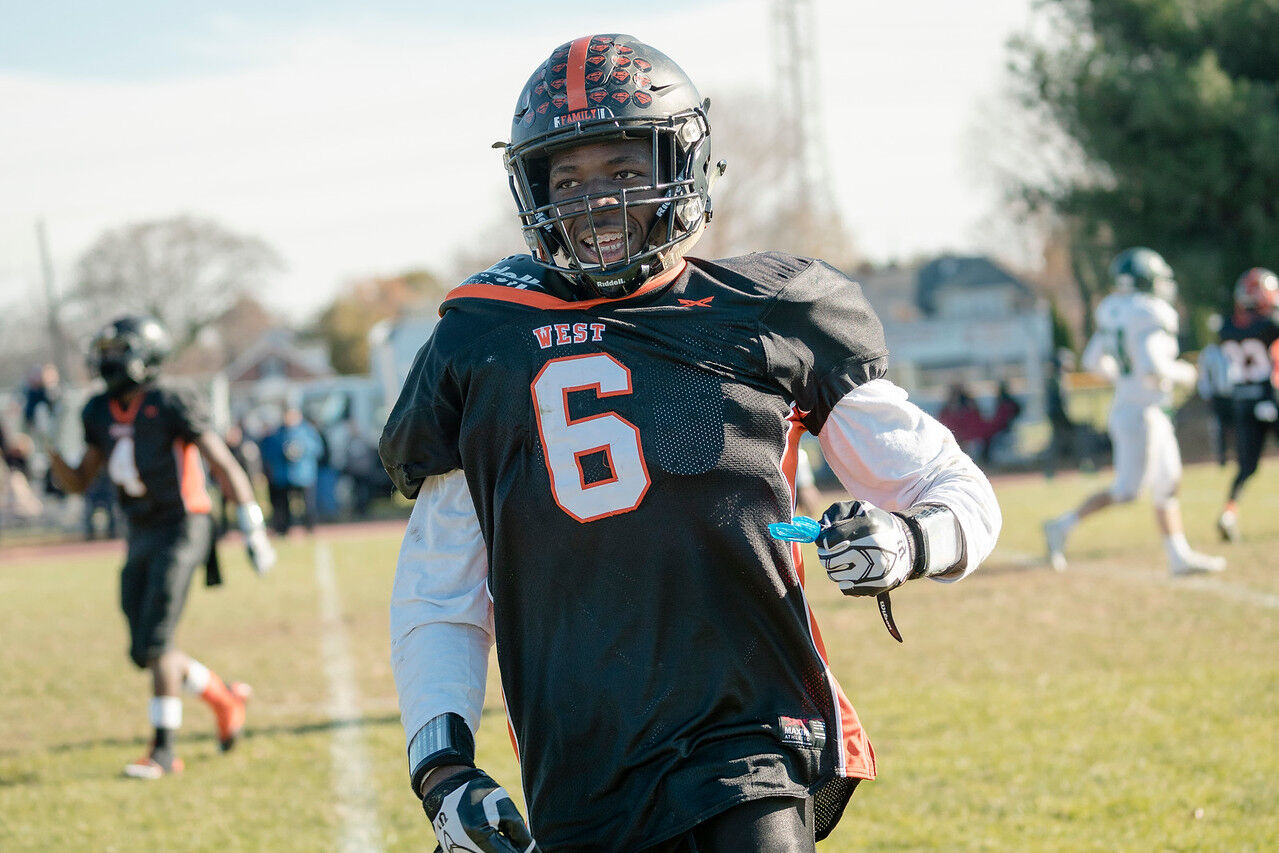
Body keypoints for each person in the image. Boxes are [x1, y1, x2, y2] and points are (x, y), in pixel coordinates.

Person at [380, 34, 1001, 852]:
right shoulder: (480, 340)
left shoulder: (768, 310)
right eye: (567, 179)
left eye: (623, 173)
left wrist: (906, 538)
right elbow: (439, 588)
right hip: (579, 759)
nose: (593, 202)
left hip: (749, 731)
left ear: (684, 165)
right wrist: (443, 768)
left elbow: (954, 486)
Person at [46, 315, 276, 778]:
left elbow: (221, 461)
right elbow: (79, 479)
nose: (108, 361)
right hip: (140, 527)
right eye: (104, 352)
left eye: (118, 350)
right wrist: (49, 448)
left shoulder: (171, 400)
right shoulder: (97, 409)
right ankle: (224, 699)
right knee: (144, 650)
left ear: (144, 354)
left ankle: (164, 751)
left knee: (158, 640)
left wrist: (253, 525)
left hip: (185, 523)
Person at [1043, 248, 1225, 576]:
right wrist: (1185, 372)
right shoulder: (1150, 311)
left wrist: (1124, 379)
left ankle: (1178, 556)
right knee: (1128, 491)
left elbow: (1093, 360)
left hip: (1138, 408)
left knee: (1169, 482)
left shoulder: (1114, 309)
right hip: (1141, 413)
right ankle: (1061, 526)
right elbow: (1152, 364)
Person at [1214, 267, 1279, 541]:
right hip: (1270, 397)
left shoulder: (1226, 327)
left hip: (1242, 400)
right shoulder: (1270, 324)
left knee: (1246, 467)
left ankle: (1228, 513)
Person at [258, 406, 324, 535]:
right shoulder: (277, 433)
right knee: (282, 505)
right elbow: (268, 452)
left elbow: (318, 449)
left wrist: (301, 450)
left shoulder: (307, 431)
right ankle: (282, 529)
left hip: (304, 475)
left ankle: (310, 527)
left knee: (308, 504)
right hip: (283, 476)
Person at [1195, 319, 1234, 468]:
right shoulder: (1209, 352)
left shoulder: (1232, 347)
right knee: (1219, 428)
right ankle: (1222, 458)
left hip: (1234, 394)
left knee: (1238, 426)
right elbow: (1204, 376)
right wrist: (1207, 394)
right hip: (1218, 396)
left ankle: (1239, 455)